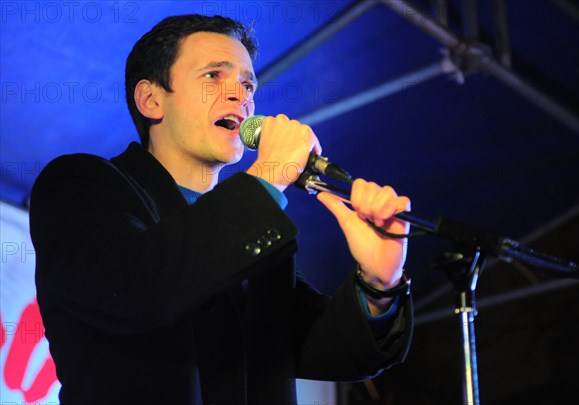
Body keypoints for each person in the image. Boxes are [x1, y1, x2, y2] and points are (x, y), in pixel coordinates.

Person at [29, 14, 413, 405]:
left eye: (248, 83)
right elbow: (135, 288)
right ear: (151, 99)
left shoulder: (258, 234)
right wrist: (268, 176)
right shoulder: (80, 185)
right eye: (214, 76)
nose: (239, 95)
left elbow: (326, 349)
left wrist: (379, 284)